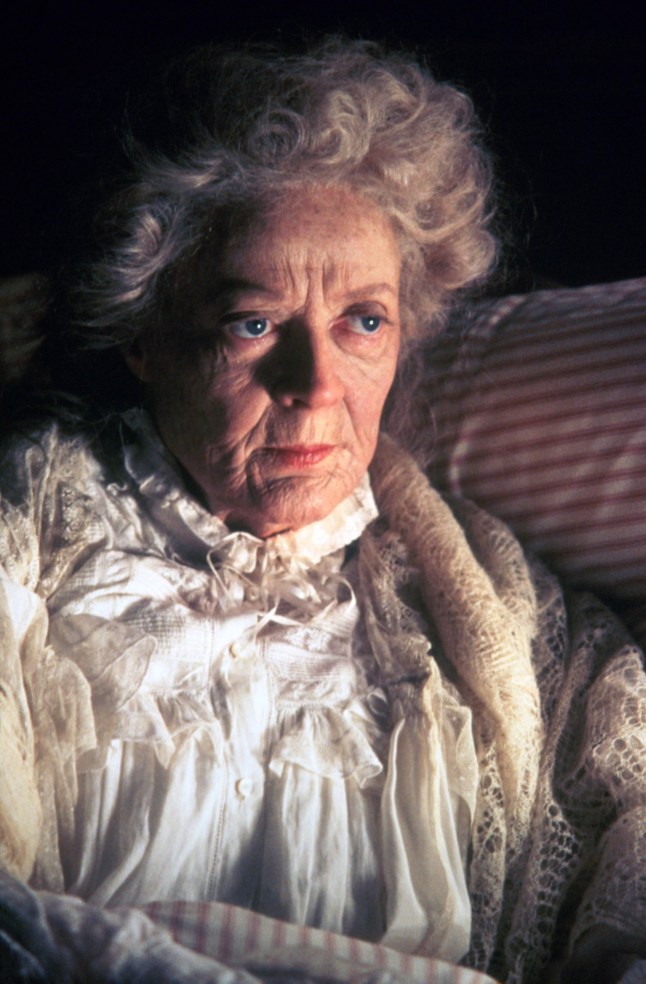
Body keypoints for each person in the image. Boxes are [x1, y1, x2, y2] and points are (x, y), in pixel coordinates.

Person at [0, 39, 644, 984]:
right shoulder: (27, 543)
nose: (316, 385)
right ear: (145, 336)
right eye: (253, 323)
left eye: (363, 322)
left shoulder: (510, 617)